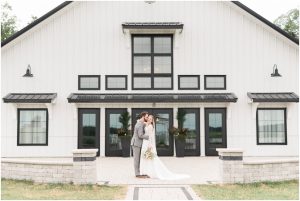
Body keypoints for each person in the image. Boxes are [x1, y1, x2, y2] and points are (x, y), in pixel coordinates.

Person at [140, 115, 190, 180]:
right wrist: (142, 121)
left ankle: (150, 172)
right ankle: (147, 172)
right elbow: (142, 122)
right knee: (147, 158)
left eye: (150, 119)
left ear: (152, 120)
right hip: (145, 143)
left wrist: (150, 145)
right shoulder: (147, 124)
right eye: (148, 118)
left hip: (148, 144)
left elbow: (150, 136)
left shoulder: (150, 126)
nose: (149, 119)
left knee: (149, 158)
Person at [130, 111, 149, 178]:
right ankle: (137, 174)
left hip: (139, 143)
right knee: (136, 159)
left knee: (139, 159)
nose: (147, 118)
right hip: (136, 144)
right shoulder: (139, 124)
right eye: (146, 117)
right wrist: (148, 137)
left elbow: (145, 125)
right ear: (143, 116)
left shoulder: (141, 123)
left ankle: (140, 172)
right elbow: (140, 135)